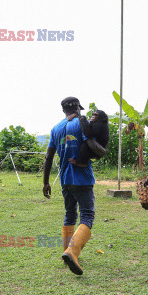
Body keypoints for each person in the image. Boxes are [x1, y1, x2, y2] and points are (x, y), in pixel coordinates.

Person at [42, 96, 106, 275]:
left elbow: (48, 157)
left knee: (70, 213)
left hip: (64, 179)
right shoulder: (81, 123)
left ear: (63, 110)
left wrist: (46, 182)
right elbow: (93, 145)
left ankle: (66, 251)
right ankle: (72, 252)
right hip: (82, 178)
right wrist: (103, 152)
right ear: (78, 108)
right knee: (87, 215)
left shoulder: (56, 128)